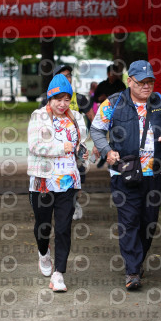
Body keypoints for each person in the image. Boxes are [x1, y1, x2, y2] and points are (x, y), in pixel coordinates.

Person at [90, 60, 161, 290]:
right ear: (130, 81)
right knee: (129, 221)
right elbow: (97, 129)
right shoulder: (114, 103)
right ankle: (132, 271)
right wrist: (107, 150)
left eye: (150, 82)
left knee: (148, 223)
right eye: (141, 82)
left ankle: (137, 261)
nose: (146, 86)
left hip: (154, 174)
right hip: (124, 173)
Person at [28, 74, 88, 292]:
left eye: (66, 100)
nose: (62, 104)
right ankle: (44, 253)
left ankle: (59, 274)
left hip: (68, 182)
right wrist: (61, 148)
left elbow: (80, 142)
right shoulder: (38, 116)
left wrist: (82, 151)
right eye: (58, 99)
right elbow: (34, 145)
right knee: (43, 226)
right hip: (43, 181)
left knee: (63, 228)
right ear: (50, 98)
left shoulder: (76, 117)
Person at [40, 64, 91, 220]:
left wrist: (87, 142)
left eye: (69, 75)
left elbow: (93, 118)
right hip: (55, 149)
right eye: (62, 75)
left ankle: (73, 203)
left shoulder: (79, 98)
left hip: (74, 149)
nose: (67, 78)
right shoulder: (47, 100)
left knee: (76, 179)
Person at [92, 64, 127, 168]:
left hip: (118, 114)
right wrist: (100, 98)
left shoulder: (120, 85)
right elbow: (95, 99)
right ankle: (102, 155)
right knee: (100, 135)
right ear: (108, 74)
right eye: (111, 73)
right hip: (104, 114)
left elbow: (125, 98)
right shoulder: (102, 85)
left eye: (115, 73)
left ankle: (111, 157)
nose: (113, 75)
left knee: (115, 136)